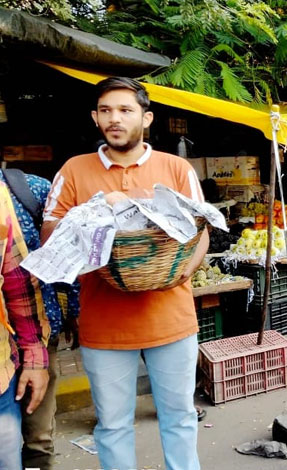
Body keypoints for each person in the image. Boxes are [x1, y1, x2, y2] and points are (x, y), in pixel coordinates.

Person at [41, 77, 207, 470]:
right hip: (104, 323)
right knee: (112, 426)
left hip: (171, 317)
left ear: (146, 118)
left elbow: (202, 232)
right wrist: (97, 211)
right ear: (95, 118)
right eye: (105, 111)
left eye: (125, 110)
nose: (115, 119)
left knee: (180, 418)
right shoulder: (74, 170)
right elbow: (51, 232)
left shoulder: (176, 168)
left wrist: (184, 270)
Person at [0, 169, 80, 470]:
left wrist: (74, 310)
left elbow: (67, 254)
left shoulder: (31, 189)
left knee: (38, 438)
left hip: (38, 332)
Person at [0, 180, 50, 470]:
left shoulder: (5, 195)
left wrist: (34, 357)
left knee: (36, 441)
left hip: (2, 377)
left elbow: (18, 282)